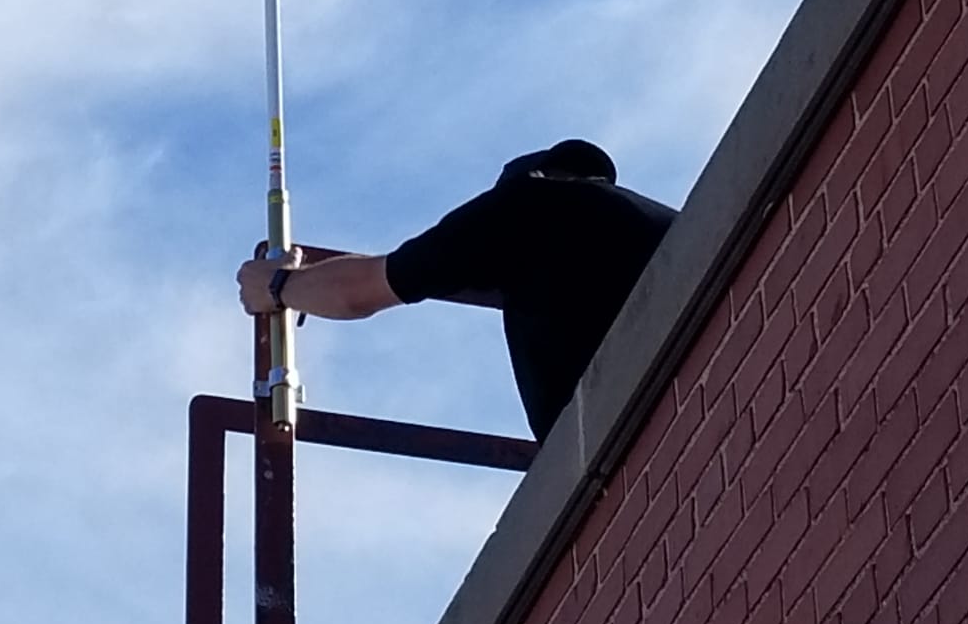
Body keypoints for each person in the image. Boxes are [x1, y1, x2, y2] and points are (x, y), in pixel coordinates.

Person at [236, 139, 677, 440]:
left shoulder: (525, 207)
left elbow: (365, 288)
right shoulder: (662, 225)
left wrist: (279, 285)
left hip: (628, 442)